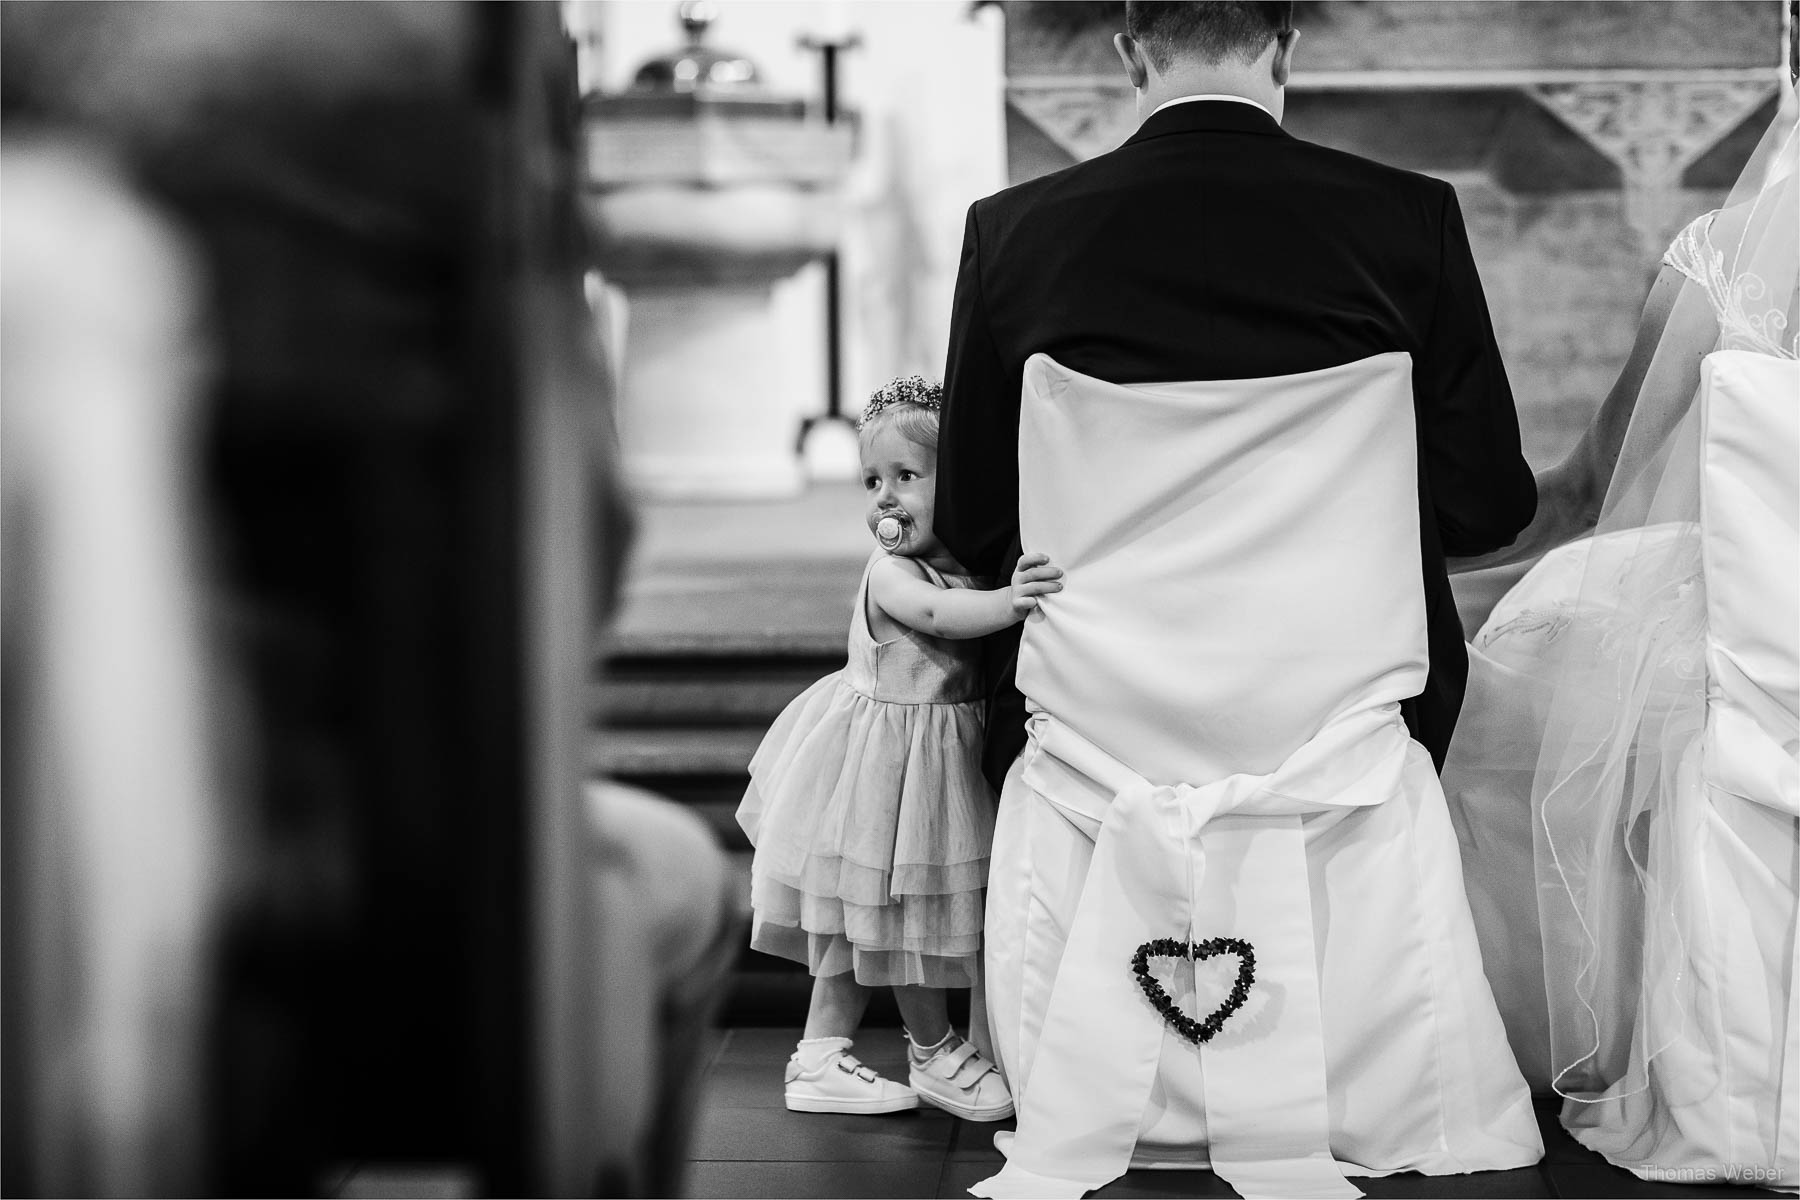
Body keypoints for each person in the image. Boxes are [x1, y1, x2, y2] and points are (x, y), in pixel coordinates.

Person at [935, 3, 1544, 1195]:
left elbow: (974, 522)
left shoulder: (1013, 232)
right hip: (1342, 726)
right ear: (1286, 49)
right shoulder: (1405, 216)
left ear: (1128, 52)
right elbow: (1483, 507)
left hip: (1091, 731)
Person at [1441, 80, 1798, 1189]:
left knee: (1527, 668)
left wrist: (1410, 551)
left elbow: (1594, 484)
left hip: (1761, 661)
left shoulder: (1731, 250)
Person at [736, 376, 1062, 1121]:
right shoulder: (895, 574)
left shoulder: (956, 561)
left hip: (927, 762)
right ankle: (934, 1051)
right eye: (873, 480)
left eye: (908, 477)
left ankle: (818, 1057)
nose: (885, 497)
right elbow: (942, 617)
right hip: (890, 771)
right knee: (904, 920)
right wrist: (1011, 601)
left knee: (864, 924)